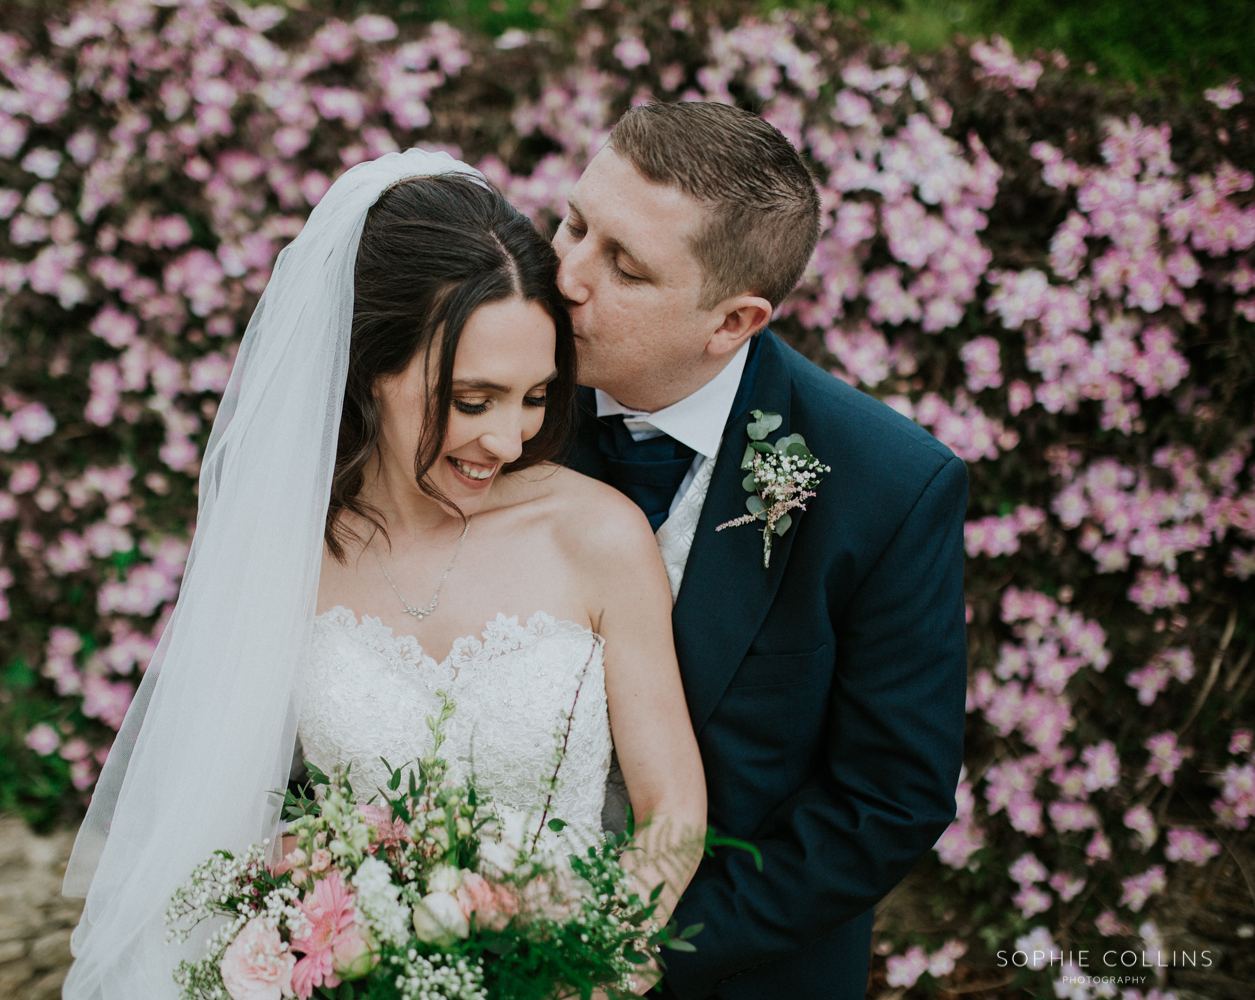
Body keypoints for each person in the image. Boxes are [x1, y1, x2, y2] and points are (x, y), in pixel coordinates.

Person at [62, 150, 705, 998]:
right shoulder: (287, 552)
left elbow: (673, 817)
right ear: (371, 368)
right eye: (472, 401)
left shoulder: (598, 537)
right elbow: (227, 805)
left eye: (537, 396)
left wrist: (586, 963)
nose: (509, 439)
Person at [558, 102, 968, 1000]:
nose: (567, 276)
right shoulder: (490, 407)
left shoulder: (889, 489)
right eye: (575, 224)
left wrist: (638, 955)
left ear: (733, 321)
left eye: (624, 266)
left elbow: (886, 799)